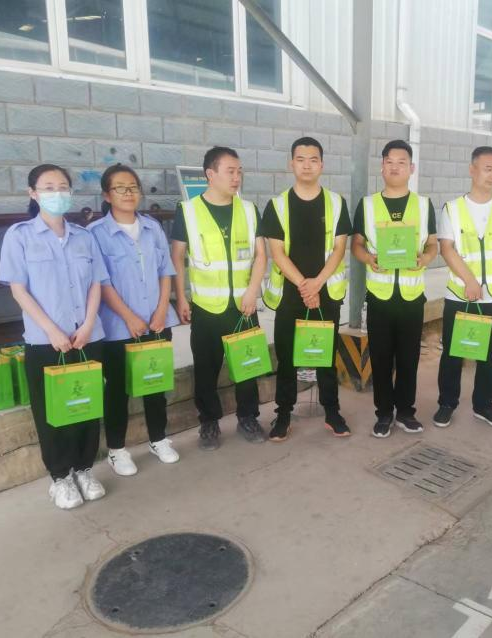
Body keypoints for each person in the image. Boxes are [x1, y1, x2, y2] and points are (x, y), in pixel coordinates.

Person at [0, 164, 109, 510]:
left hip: (87, 337)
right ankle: (60, 478)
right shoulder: (19, 236)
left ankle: (85, 470)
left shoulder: (84, 236)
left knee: (87, 407)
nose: (57, 193)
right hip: (46, 341)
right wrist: (51, 330)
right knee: (52, 413)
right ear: (33, 193)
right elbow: (19, 290)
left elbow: (96, 284)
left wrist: (88, 324)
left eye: (63, 186)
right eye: (48, 187)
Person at [170, 147, 266, 450]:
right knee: (206, 369)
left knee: (247, 366)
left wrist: (253, 291)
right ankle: (209, 422)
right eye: (230, 171)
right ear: (210, 174)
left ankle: (248, 417)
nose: (237, 177)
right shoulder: (188, 211)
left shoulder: (249, 210)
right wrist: (181, 298)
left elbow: (261, 255)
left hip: (243, 307)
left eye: (239, 171)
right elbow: (177, 257)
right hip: (206, 308)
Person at [89, 165, 180, 476]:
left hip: (156, 321)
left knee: (156, 382)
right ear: (107, 195)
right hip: (118, 327)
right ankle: (117, 450)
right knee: (117, 389)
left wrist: (161, 310)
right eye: (120, 188)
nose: (128, 193)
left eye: (133, 187)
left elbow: (166, 271)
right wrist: (128, 317)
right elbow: (101, 282)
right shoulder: (96, 234)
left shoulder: (152, 228)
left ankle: (159, 438)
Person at [259, 136, 351, 441]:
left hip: (326, 293)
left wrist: (318, 283)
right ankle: (283, 414)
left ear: (322, 165)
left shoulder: (336, 203)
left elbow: (339, 249)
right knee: (287, 358)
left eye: (313, 160)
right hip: (290, 295)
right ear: (292, 164)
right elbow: (277, 252)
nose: (307, 165)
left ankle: (332, 412)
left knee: (325, 355)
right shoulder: (277, 205)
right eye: (301, 159)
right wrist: (304, 286)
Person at [351, 140, 438, 438]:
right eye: (389, 161)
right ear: (382, 167)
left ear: (411, 168)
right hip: (379, 297)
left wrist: (426, 258)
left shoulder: (424, 205)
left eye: (401, 162)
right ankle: (384, 413)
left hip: (411, 297)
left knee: (409, 358)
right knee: (381, 358)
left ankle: (406, 412)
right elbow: (357, 244)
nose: (395, 167)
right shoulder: (368, 205)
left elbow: (433, 243)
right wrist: (368, 259)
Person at [434, 146, 492, 429]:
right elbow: (447, 248)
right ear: (472, 170)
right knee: (453, 353)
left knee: (489, 355)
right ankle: (446, 404)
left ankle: (484, 405)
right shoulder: (453, 208)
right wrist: (470, 281)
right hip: (460, 295)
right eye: (487, 169)